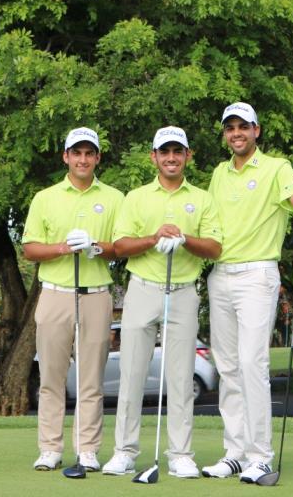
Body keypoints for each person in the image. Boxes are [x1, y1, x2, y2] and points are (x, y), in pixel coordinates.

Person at [203, 102, 293, 483]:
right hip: (221, 275)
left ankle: (260, 456)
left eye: (243, 126)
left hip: (257, 274)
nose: (236, 133)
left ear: (257, 130)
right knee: (228, 367)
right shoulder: (219, 173)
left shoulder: (276, 168)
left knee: (253, 364)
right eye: (230, 127)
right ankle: (235, 452)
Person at [102, 126, 222, 478]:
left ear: (188, 156)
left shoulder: (202, 199)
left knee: (182, 378)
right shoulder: (136, 197)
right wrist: (154, 239)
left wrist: (184, 239)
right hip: (143, 289)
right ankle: (124, 451)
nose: (171, 157)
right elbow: (120, 246)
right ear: (153, 156)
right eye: (164, 151)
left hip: (184, 291)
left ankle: (180, 454)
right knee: (132, 374)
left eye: (177, 151)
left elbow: (215, 247)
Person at [22, 127, 124, 472]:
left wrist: (96, 247)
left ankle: (87, 450)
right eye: (76, 153)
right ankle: (50, 448)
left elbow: (121, 246)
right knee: (51, 376)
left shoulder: (114, 198)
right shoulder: (45, 197)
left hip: (96, 295)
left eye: (89, 153)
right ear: (66, 156)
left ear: (97, 157)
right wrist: (63, 248)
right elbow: (30, 249)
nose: (83, 159)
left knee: (91, 378)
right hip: (55, 294)